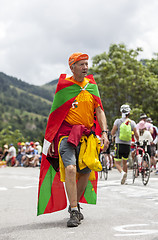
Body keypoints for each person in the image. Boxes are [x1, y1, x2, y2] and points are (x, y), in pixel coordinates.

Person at [37, 52, 109, 227]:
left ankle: (73, 206)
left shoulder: (92, 86)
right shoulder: (64, 86)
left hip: (86, 136)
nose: (85, 67)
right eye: (81, 64)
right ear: (72, 67)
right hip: (66, 136)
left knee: (85, 172)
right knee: (70, 168)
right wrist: (51, 141)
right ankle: (75, 211)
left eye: (86, 64)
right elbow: (55, 115)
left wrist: (105, 132)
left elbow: (99, 111)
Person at [111, 104, 139, 184]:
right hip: (128, 144)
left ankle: (122, 173)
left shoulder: (118, 121)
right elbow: (136, 134)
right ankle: (125, 180)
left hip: (119, 144)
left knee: (117, 163)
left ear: (121, 112)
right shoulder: (132, 122)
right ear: (129, 113)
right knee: (125, 162)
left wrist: (113, 137)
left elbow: (112, 132)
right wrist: (137, 141)